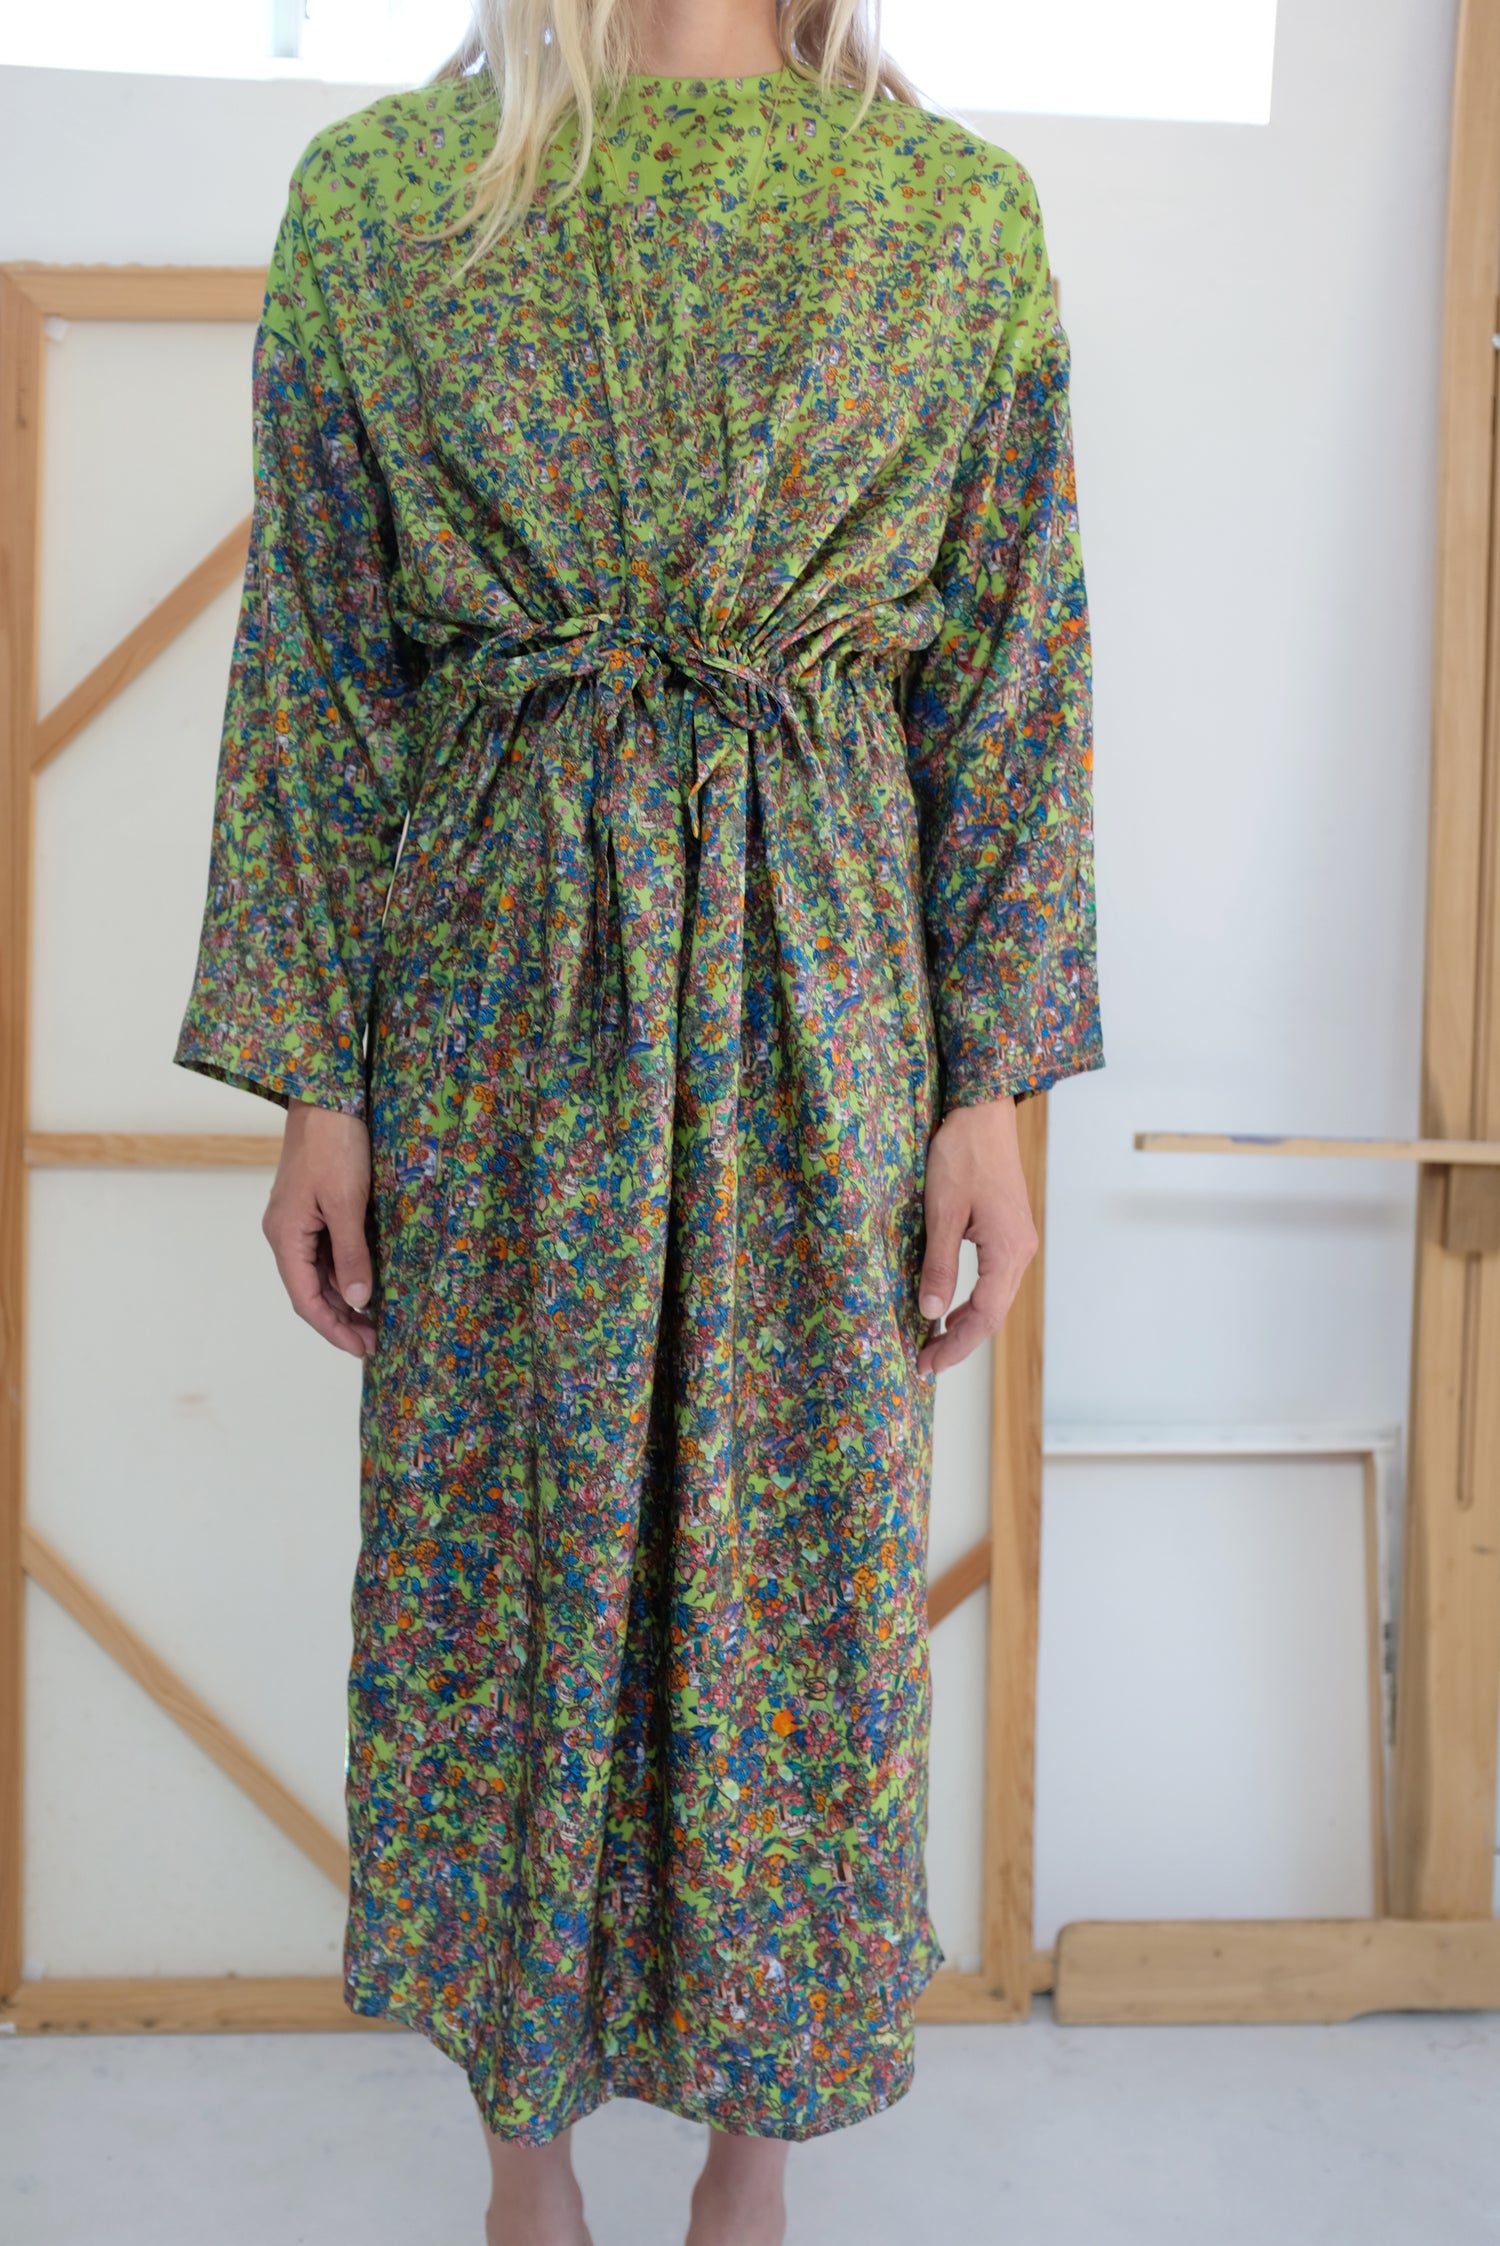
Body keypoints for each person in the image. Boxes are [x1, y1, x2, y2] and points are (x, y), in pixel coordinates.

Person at [173, 0, 1101, 2237]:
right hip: (497, 1003)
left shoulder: (950, 215)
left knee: (797, 1573)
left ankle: (747, 2170)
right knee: (503, 1563)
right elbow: (317, 655)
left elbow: (1012, 673)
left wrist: (988, 1093)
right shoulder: (389, 197)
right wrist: (316, 1076)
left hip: (822, 1003)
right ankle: (527, 2165)